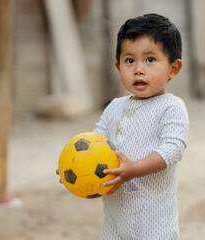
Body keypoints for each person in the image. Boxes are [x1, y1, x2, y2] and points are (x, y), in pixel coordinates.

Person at [58, 13, 189, 239]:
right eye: (130, 60)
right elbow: (95, 140)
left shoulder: (171, 106)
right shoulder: (115, 106)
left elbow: (173, 148)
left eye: (150, 60)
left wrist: (134, 169)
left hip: (153, 218)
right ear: (118, 67)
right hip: (116, 215)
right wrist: (74, 164)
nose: (138, 69)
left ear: (173, 69)